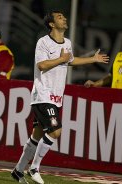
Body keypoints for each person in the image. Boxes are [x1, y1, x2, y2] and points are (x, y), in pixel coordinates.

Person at [11, 10, 109, 184]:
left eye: (64, 17)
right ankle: (34, 168)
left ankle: (18, 171)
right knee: (56, 131)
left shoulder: (67, 43)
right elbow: (41, 65)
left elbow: (70, 60)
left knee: (36, 136)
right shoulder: (43, 42)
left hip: (56, 97)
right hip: (43, 94)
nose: (64, 19)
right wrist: (61, 58)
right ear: (51, 24)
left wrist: (92, 59)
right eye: (59, 17)